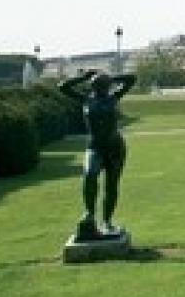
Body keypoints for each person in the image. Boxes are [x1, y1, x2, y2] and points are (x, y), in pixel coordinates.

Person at [59, 70, 137, 239]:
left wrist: (109, 77)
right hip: (95, 147)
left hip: (115, 148)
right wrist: (85, 77)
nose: (102, 88)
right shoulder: (86, 99)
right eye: (98, 85)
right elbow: (63, 87)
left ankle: (107, 222)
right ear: (93, 86)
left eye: (104, 86)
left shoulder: (113, 97)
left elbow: (131, 79)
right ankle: (89, 214)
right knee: (89, 175)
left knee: (111, 185)